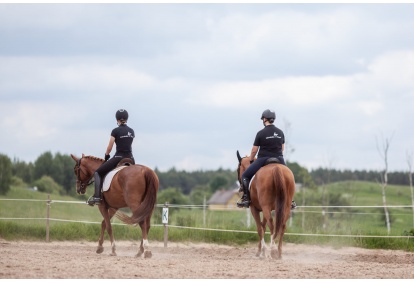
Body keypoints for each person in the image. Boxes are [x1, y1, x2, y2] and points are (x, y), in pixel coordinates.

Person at [237, 109, 296, 209]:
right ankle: (290, 201)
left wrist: (251, 160)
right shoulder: (280, 132)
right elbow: (282, 148)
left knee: (245, 176)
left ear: (264, 119)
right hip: (279, 158)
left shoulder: (260, 133)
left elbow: (254, 150)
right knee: (289, 177)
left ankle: (246, 199)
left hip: (263, 159)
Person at [87, 109, 135, 206]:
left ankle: (97, 197)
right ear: (127, 118)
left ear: (117, 119)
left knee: (97, 173)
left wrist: (106, 156)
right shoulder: (131, 131)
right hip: (130, 158)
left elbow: (110, 146)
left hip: (118, 157)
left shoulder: (115, 131)